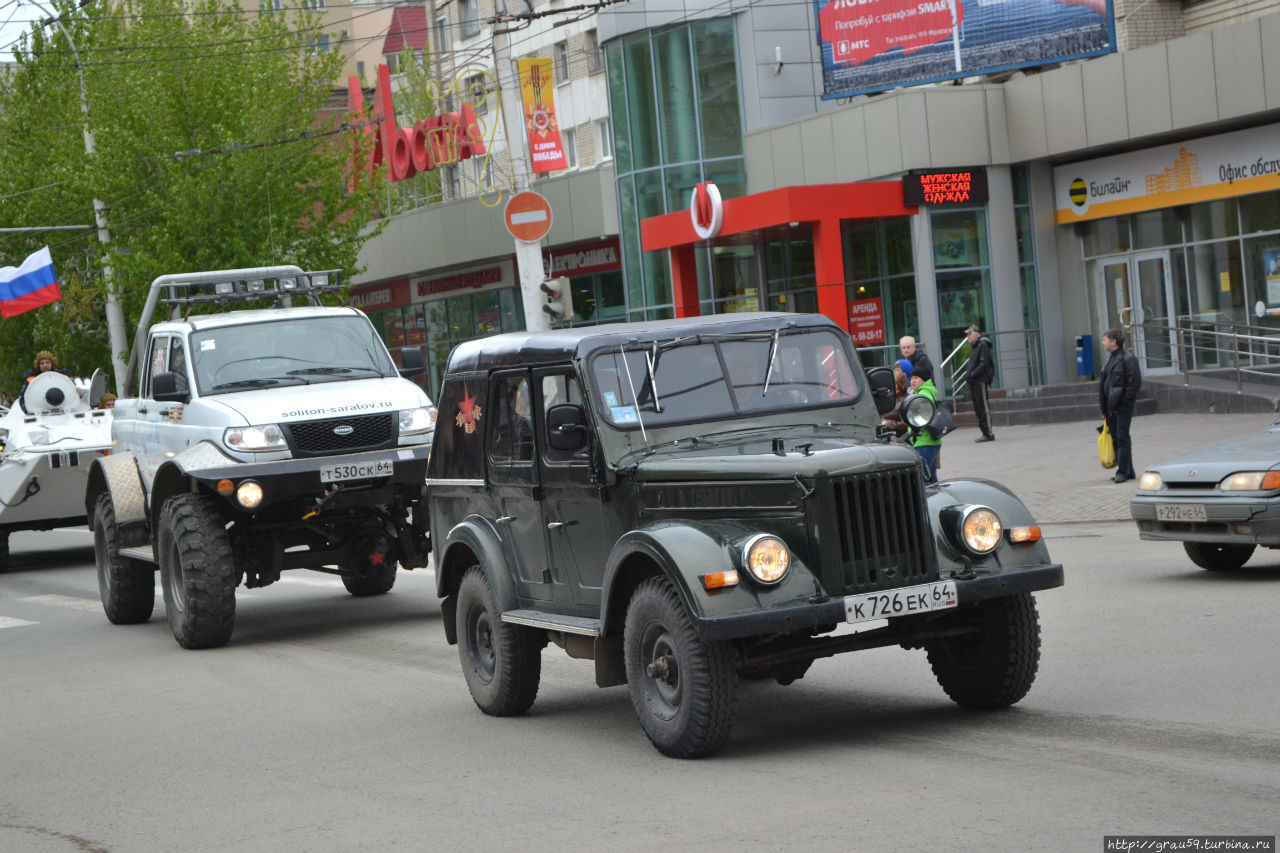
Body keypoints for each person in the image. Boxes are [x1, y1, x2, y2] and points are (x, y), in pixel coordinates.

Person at [1099, 327, 1141, 483]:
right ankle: (1129, 470)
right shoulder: (1111, 359)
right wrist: (1104, 408)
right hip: (1110, 407)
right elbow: (1105, 385)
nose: (1103, 343)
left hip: (1121, 406)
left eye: (1105, 340)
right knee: (1117, 438)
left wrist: (1124, 401)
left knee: (1122, 437)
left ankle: (1122, 471)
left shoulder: (1128, 359)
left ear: (1113, 342)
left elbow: (1134, 383)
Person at [907, 361, 942, 485]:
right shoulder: (923, 393)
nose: (913, 381)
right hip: (928, 441)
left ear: (924, 380)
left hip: (925, 441)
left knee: (924, 479)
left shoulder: (924, 395)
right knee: (931, 477)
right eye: (912, 378)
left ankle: (929, 501)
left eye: (916, 378)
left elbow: (922, 417)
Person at [964, 324, 995, 443]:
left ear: (976, 333)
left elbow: (984, 364)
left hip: (980, 380)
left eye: (969, 334)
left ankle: (988, 433)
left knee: (982, 406)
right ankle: (985, 432)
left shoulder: (983, 344)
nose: (968, 337)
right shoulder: (976, 345)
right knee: (978, 407)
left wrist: (972, 374)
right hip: (975, 380)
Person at [880, 358, 913, 438]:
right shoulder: (891, 398)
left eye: (893, 381)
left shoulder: (905, 400)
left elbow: (905, 424)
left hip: (901, 439)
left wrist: (887, 423)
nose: (890, 384)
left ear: (898, 384)